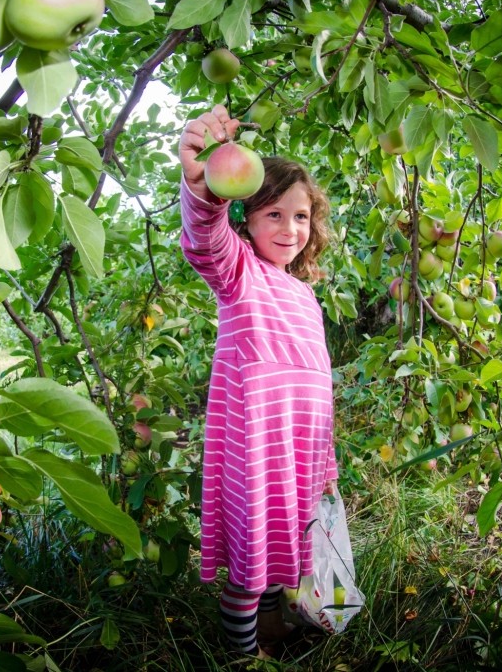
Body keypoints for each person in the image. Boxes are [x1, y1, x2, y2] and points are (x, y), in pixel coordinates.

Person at [178, 105, 338, 659]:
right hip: (258, 449)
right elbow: (204, 238)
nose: (289, 229)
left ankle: (271, 628)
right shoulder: (240, 274)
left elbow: (317, 385)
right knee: (250, 565)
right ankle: (242, 655)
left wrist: (327, 461)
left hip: (300, 451)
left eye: (300, 216)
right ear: (246, 218)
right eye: (273, 214)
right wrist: (206, 189)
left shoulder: (305, 295)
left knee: (282, 550)